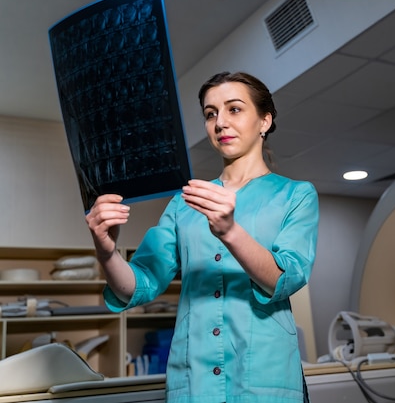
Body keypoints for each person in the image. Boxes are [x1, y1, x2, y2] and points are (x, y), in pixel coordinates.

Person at [86, 71, 319, 402]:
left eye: (234, 109)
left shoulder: (295, 195)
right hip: (194, 379)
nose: (220, 122)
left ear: (265, 120)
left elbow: (285, 279)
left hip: (264, 379)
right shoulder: (185, 202)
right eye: (211, 114)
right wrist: (106, 251)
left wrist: (230, 231)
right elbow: (138, 285)